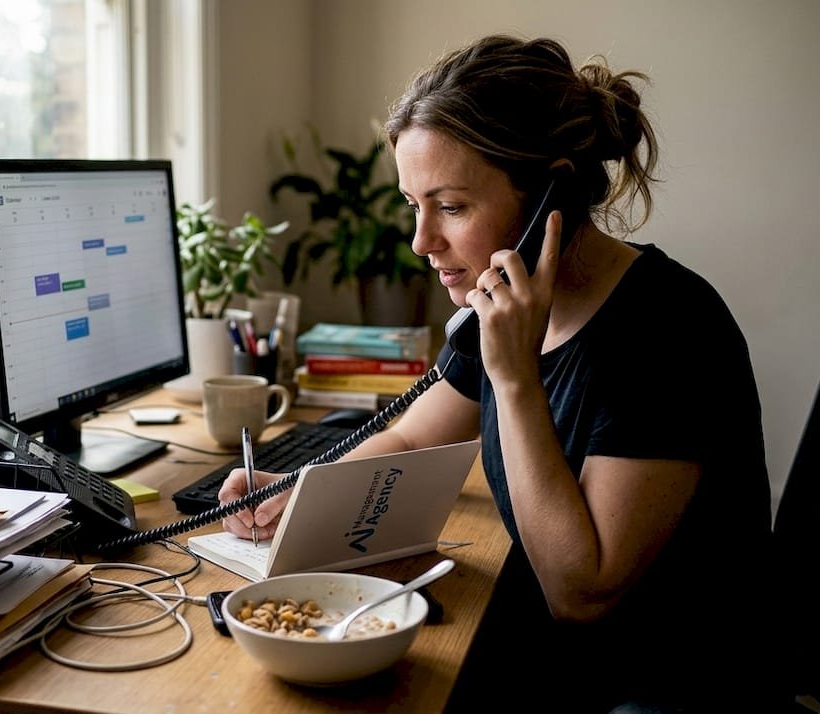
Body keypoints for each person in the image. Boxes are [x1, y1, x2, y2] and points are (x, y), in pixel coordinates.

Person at [218, 34, 781, 712]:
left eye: (451, 207)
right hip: (550, 657)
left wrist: (513, 377)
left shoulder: (668, 328)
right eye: (413, 205)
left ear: (552, 196)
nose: (422, 242)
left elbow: (582, 592)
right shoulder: (498, 302)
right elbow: (408, 442)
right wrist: (306, 496)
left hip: (661, 690)